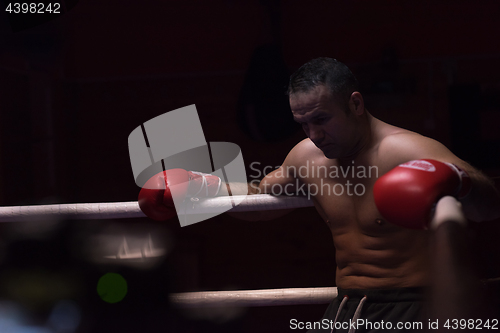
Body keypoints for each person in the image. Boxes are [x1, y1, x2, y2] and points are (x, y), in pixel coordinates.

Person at [138, 58, 500, 332]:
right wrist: (197, 187)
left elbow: (490, 206)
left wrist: (460, 181)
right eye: (303, 123)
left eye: (321, 119)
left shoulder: (408, 151)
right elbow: (261, 200)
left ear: (355, 104)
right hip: (345, 307)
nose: (313, 133)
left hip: (412, 305)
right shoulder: (306, 157)